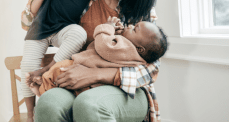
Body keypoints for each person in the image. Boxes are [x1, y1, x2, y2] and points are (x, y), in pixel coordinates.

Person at [27, 0, 161, 122]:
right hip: (78, 84)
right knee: (49, 103)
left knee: (89, 104)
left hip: (127, 92)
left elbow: (152, 69)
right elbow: (29, 22)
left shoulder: (141, 13)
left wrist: (95, 75)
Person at [20, 0, 118, 121]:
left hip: (64, 30)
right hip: (39, 28)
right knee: (27, 66)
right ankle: (30, 112)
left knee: (79, 34)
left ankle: (48, 69)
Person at [28, 16, 168, 97]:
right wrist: (118, 35)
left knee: (59, 71)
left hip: (84, 67)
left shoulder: (126, 48)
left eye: (135, 29)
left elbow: (103, 46)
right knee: (62, 81)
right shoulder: (133, 55)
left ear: (139, 48)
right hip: (94, 82)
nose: (130, 25)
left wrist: (107, 28)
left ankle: (41, 89)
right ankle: (43, 87)